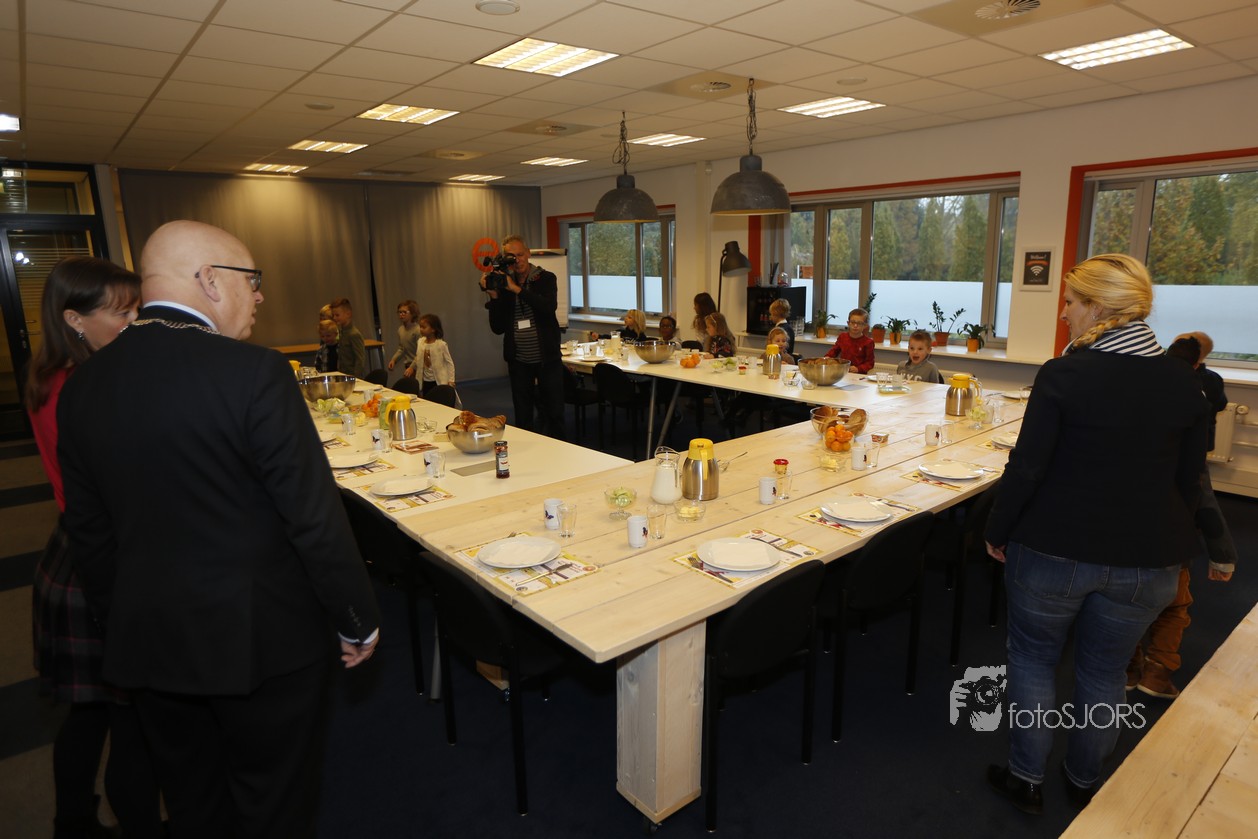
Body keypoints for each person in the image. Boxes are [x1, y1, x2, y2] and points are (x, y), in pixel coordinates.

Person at [57, 220, 381, 839]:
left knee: (194, 805)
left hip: (150, 643)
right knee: (274, 805)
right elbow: (312, 518)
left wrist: (122, 622)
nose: (259, 295)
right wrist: (355, 616)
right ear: (209, 280)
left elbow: (90, 535)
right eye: (251, 280)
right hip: (262, 642)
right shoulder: (255, 372)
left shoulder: (83, 386)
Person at [983, 254, 1208, 815]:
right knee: (1106, 670)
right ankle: (1084, 779)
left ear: (1099, 307)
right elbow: (1189, 482)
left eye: (1070, 302)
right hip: (1148, 561)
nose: (1063, 313)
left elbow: (1028, 467)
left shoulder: (1064, 374)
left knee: (1034, 660)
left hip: (1054, 549)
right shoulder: (1185, 384)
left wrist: (997, 529)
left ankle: (1026, 779)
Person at [26, 257, 162, 839]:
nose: (133, 324)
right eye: (120, 313)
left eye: (136, 311)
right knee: (131, 718)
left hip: (74, 553)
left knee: (91, 712)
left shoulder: (56, 375)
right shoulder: (80, 389)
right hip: (100, 561)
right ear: (74, 319)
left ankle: (74, 820)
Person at [1126, 333, 1237, 700]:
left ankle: (1127, 667)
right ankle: (1157, 672)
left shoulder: (1132, 417)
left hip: (1125, 532)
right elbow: (1204, 501)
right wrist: (1222, 554)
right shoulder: (1189, 439)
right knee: (1175, 606)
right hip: (1171, 537)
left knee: (1123, 604)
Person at [480, 234, 565, 439]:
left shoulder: (546, 278)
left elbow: (547, 307)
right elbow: (498, 328)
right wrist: (495, 297)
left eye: (520, 255)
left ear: (528, 254)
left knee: (554, 412)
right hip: (519, 361)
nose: (517, 260)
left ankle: (560, 449)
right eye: (512, 257)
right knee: (523, 413)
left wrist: (516, 289)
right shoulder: (503, 283)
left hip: (547, 358)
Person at [824, 307, 875, 373]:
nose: (855, 325)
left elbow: (870, 363)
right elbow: (834, 351)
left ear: (865, 326)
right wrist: (827, 357)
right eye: (853, 322)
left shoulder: (868, 342)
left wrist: (858, 369)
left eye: (859, 323)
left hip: (859, 374)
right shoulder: (843, 337)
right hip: (843, 372)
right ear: (848, 323)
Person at [417, 312, 456, 396]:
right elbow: (418, 358)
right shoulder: (420, 342)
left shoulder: (441, 345)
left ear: (433, 329)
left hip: (438, 381)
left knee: (439, 399)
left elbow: (449, 363)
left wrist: (451, 380)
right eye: (420, 327)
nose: (421, 329)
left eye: (424, 327)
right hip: (425, 381)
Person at [329, 297, 366, 378]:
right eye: (333, 315)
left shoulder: (354, 334)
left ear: (348, 314)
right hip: (343, 376)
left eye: (337, 315)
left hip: (352, 377)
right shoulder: (341, 332)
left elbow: (360, 360)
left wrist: (355, 378)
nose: (334, 318)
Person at [388, 299, 422, 378]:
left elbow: (421, 352)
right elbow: (401, 348)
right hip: (408, 365)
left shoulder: (418, 330)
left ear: (413, 313)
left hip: (419, 366)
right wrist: (394, 360)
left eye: (404, 312)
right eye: (400, 312)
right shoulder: (401, 330)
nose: (401, 314)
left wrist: (412, 367)